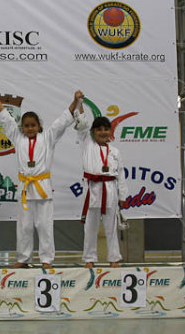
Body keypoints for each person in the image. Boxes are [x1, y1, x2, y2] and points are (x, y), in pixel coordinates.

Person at [0, 89, 83, 269]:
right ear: (22, 127)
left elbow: (63, 121)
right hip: (25, 188)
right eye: (26, 125)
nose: (30, 128)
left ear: (39, 125)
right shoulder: (17, 138)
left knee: (44, 225)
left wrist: (75, 101)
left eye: (33, 125)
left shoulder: (48, 137)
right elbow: (6, 119)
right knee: (24, 226)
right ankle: (23, 258)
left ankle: (46, 259)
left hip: (42, 187)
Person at [74, 111, 128, 268]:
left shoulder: (115, 152)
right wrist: (79, 107)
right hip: (93, 189)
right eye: (99, 129)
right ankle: (89, 259)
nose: (103, 132)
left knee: (111, 227)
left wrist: (122, 196)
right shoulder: (88, 144)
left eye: (106, 129)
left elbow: (121, 175)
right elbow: (82, 127)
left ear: (110, 131)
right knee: (90, 228)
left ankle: (114, 258)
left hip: (110, 190)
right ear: (93, 132)